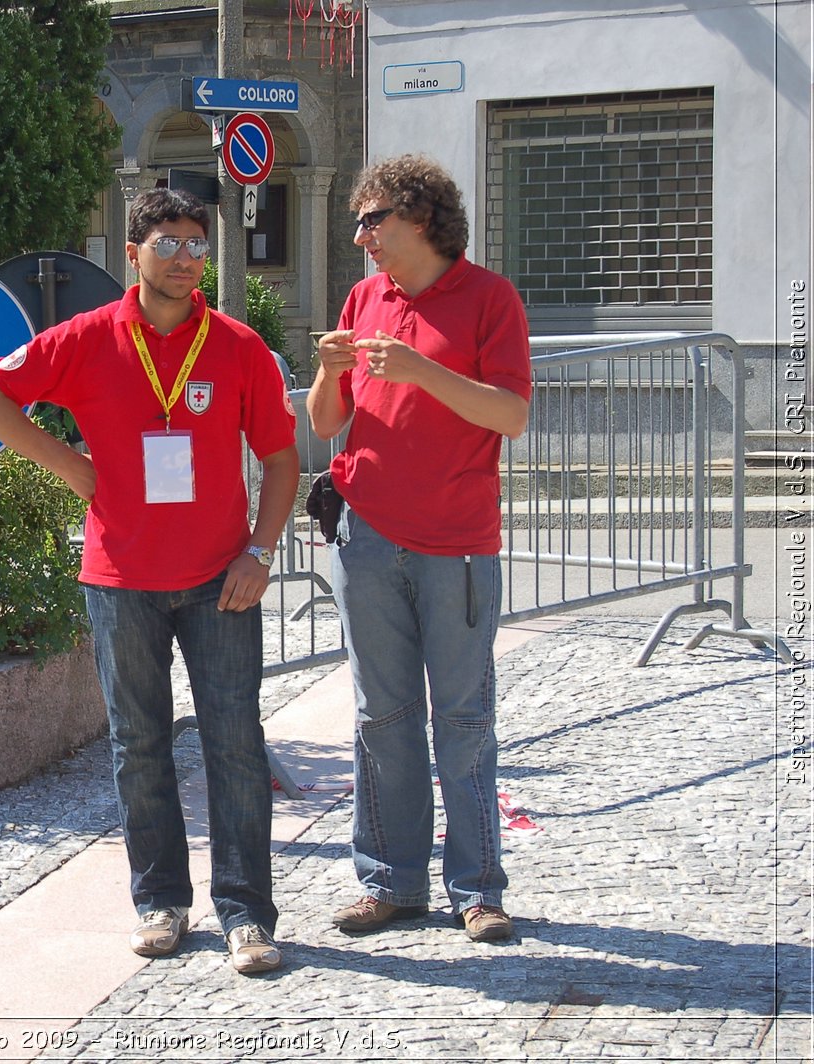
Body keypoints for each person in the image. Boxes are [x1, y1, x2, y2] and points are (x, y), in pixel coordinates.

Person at [0, 188, 300, 975]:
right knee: (139, 745)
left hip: (222, 579)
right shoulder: (86, 339)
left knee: (236, 745)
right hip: (120, 579)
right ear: (134, 252)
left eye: (196, 243)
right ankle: (160, 903)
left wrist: (260, 551)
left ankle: (247, 916)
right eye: (169, 243)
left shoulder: (239, 346)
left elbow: (282, 459)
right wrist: (77, 470)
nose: (186, 258)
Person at [306, 155, 531, 943]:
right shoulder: (364, 297)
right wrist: (327, 374)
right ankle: (390, 884)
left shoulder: (488, 298)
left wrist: (419, 370)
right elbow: (326, 423)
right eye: (359, 222)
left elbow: (508, 414)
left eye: (373, 220)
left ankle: (477, 888)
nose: (360, 234)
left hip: (456, 546)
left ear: (421, 217)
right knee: (382, 717)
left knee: (463, 720)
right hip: (365, 538)